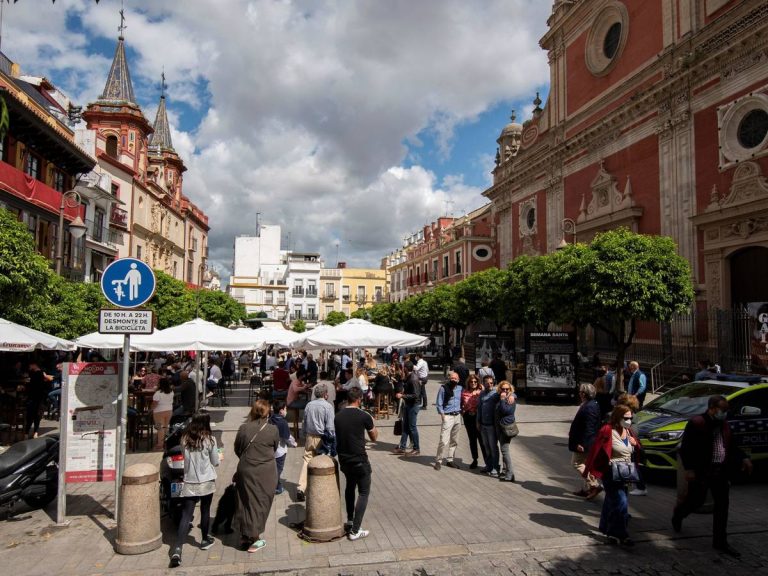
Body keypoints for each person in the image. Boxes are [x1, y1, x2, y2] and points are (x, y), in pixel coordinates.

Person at [672, 395, 753, 558]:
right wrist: (689, 470)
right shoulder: (697, 423)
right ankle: (679, 514)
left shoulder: (724, 426)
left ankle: (720, 541)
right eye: (723, 410)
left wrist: (744, 458)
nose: (725, 413)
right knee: (696, 500)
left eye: (727, 410)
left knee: (722, 506)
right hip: (702, 471)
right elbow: (686, 448)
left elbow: (732, 445)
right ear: (712, 409)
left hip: (720, 471)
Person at [584, 404, 642, 547]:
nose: (629, 420)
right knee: (621, 502)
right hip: (610, 472)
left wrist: (635, 444)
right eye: (626, 418)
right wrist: (592, 471)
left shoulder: (629, 431)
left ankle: (606, 528)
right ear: (618, 417)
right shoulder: (607, 430)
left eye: (631, 418)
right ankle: (621, 534)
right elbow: (596, 449)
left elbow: (636, 449)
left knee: (612, 500)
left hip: (626, 471)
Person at [170, 413, 220, 567]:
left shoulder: (184, 440)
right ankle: (205, 539)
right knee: (205, 510)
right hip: (206, 481)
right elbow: (215, 462)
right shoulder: (210, 440)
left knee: (186, 514)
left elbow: (185, 460)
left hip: (190, 481)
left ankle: (177, 548)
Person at [233, 399, 280, 553]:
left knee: (245, 501)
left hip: (246, 469)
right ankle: (255, 536)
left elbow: (237, 448)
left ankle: (245, 534)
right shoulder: (272, 430)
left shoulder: (244, 428)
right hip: (266, 471)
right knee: (262, 502)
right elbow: (275, 447)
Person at [335, 386, 378, 541]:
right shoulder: (364, 416)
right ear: (359, 399)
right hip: (359, 459)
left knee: (350, 487)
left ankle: (350, 519)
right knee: (364, 492)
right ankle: (355, 530)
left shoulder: (338, 416)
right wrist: (372, 422)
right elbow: (374, 437)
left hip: (344, 460)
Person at [297, 383, 335, 502]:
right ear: (325, 394)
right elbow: (330, 426)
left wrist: (303, 434)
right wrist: (332, 439)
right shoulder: (328, 407)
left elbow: (304, 421)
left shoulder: (309, 405)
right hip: (322, 437)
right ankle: (320, 489)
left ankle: (301, 487)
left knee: (307, 460)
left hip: (310, 436)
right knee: (323, 463)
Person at [568, 383, 602, 499]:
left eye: (581, 392)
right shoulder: (590, 404)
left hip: (585, 442)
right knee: (586, 465)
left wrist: (582, 443)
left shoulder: (590, 407)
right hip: (588, 441)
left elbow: (590, 428)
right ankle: (586, 489)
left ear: (584, 394)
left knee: (577, 464)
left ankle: (594, 485)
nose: (579, 394)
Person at [434, 371, 463, 470]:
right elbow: (439, 403)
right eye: (452, 378)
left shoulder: (460, 388)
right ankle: (438, 460)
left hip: (458, 416)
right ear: (449, 379)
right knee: (443, 440)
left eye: (456, 378)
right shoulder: (443, 388)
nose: (454, 380)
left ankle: (450, 460)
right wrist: (442, 415)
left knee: (454, 440)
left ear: (458, 380)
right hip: (448, 416)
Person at [392, 361, 421, 456]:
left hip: (413, 405)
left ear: (406, 368)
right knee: (405, 426)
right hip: (408, 404)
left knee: (412, 427)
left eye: (403, 367)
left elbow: (415, 395)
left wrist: (402, 396)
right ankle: (402, 447)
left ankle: (416, 449)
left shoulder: (413, 379)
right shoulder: (409, 377)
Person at [269, 401, 296, 495]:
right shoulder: (283, 422)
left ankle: (279, 486)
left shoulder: (270, 419)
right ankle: (273, 488)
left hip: (271, 450)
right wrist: (294, 444)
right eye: (285, 409)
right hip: (280, 451)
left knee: (274, 469)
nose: (286, 411)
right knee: (278, 471)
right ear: (281, 411)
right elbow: (287, 437)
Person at [477, 374, 500, 476]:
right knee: (486, 447)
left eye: (491, 383)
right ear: (483, 383)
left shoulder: (496, 393)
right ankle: (489, 465)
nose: (490, 384)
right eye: (487, 383)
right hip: (483, 425)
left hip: (491, 426)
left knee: (493, 447)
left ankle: (495, 467)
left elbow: (510, 393)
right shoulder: (481, 394)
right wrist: (477, 421)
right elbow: (479, 408)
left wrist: (513, 396)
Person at [495, 381, 517, 482]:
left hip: (506, 428)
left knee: (505, 451)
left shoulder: (510, 399)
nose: (504, 391)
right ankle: (505, 471)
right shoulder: (499, 397)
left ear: (510, 390)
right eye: (502, 389)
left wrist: (503, 399)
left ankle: (510, 474)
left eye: (507, 389)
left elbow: (506, 411)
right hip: (499, 427)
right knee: (504, 450)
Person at [461, 374, 485, 469]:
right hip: (468, 418)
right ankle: (475, 459)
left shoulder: (481, 392)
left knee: (482, 440)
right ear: (468, 383)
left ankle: (487, 461)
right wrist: (463, 412)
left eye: (475, 382)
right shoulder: (464, 392)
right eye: (471, 382)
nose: (473, 383)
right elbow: (460, 404)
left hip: (478, 418)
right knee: (472, 440)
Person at [25, 362, 53, 439]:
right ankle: (35, 433)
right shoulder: (44, 376)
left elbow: (29, 387)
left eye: (30, 365)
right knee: (37, 416)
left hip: (32, 398)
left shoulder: (33, 375)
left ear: (34, 365)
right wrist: (47, 379)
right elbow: (49, 387)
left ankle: (26, 433)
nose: (29, 367)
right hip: (41, 399)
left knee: (30, 416)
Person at [152, 377, 174, 450]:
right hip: (169, 410)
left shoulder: (158, 393)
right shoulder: (171, 392)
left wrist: (150, 409)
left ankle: (160, 445)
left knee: (160, 428)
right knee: (165, 427)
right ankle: (165, 443)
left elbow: (155, 404)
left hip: (159, 411)